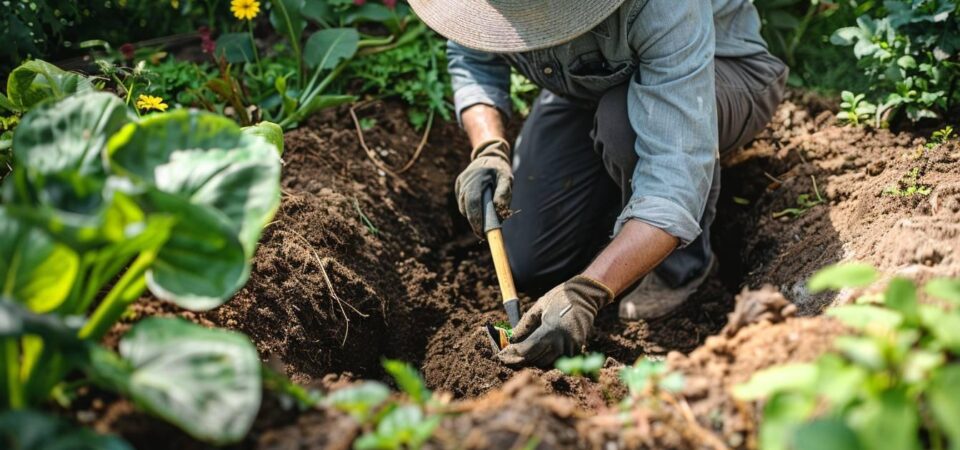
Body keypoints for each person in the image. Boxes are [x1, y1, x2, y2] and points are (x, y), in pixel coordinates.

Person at [407, 0, 787, 367]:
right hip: (590, 84)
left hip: (717, 74)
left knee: (622, 124)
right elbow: (473, 57)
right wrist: (488, 147)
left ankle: (682, 270)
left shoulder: (663, 6)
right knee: (531, 262)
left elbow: (674, 180)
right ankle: (624, 208)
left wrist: (588, 291)